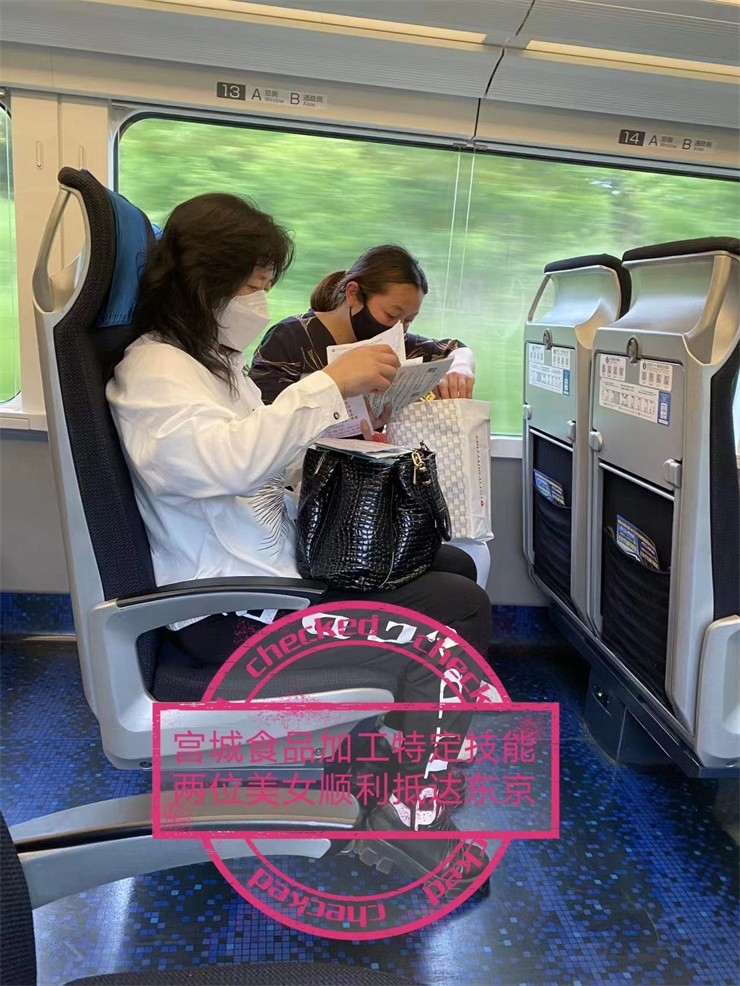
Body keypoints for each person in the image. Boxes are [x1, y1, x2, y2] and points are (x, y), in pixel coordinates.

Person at [106, 194, 491, 890]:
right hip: (233, 609)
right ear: (206, 283)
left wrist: (345, 430)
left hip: (267, 573)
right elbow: (224, 463)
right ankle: (409, 810)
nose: (261, 301)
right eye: (253, 284)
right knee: (459, 610)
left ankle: (388, 758)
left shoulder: (211, 365)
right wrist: (325, 385)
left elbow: (268, 458)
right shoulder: (154, 370)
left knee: (451, 563)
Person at [249, 245, 476, 430]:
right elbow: (265, 425)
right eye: (391, 315)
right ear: (353, 294)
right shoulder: (290, 339)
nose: (399, 329)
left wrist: (461, 367)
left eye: (409, 320)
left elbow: (455, 349)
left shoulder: (397, 344)